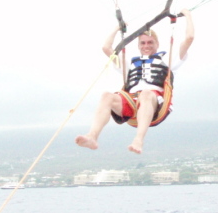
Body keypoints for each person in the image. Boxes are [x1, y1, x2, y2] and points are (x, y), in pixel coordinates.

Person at [75, 9, 194, 154]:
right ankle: (92, 137)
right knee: (107, 95)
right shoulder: (129, 64)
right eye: (142, 43)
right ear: (138, 46)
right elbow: (106, 48)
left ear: (157, 44)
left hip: (155, 102)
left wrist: (187, 15)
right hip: (131, 102)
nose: (146, 46)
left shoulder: (168, 59)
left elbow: (189, 38)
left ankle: (138, 140)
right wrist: (117, 28)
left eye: (150, 42)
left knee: (145, 93)